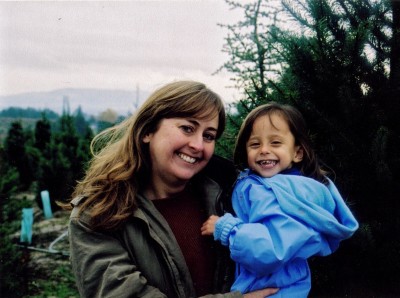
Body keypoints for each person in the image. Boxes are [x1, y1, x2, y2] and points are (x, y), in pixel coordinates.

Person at [66, 81, 278, 298]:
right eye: (187, 128)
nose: (198, 145)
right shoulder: (97, 215)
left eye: (209, 136)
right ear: (148, 130)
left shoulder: (233, 196)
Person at [201, 103, 359, 297]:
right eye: (255, 144)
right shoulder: (277, 185)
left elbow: (271, 249)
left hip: (274, 290)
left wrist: (226, 228)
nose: (264, 150)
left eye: (275, 143)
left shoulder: (276, 193)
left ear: (297, 153)